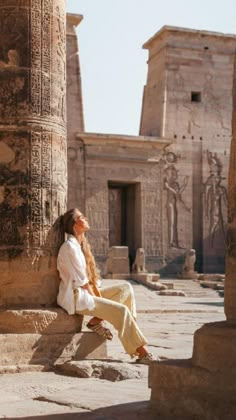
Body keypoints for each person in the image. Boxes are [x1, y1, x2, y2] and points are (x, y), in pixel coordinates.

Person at [57, 208, 158, 364]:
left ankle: (96, 322)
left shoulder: (80, 245)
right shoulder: (70, 247)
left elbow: (91, 281)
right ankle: (142, 352)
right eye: (82, 217)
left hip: (86, 293)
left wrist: (101, 302)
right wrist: (103, 303)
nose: (87, 219)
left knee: (125, 289)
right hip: (78, 297)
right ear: (74, 224)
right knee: (121, 311)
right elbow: (84, 284)